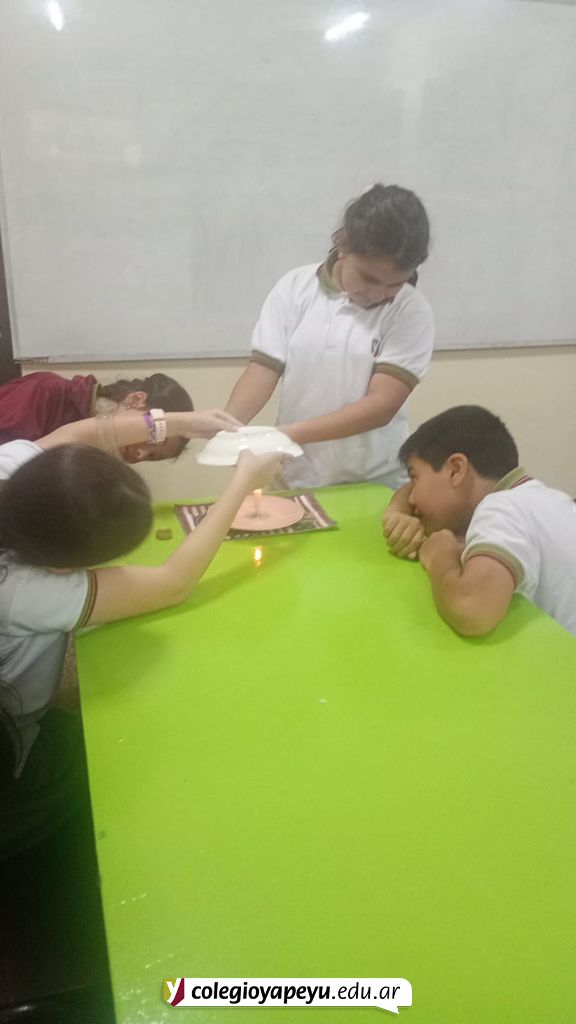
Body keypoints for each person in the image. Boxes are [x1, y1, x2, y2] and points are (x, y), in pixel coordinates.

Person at [0, 407, 282, 857]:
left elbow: (77, 433)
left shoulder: (12, 472)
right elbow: (173, 584)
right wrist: (242, 483)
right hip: (15, 748)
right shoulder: (23, 591)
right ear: (63, 568)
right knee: (110, 769)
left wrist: (182, 422)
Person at [225, 183, 434, 490]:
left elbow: (382, 405)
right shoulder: (295, 288)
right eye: (368, 278)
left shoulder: (410, 310)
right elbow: (263, 370)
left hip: (374, 482)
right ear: (342, 243)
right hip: (295, 478)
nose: (378, 294)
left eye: (394, 284)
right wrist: (227, 427)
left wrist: (287, 435)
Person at [382, 405, 576, 637]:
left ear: (456, 470)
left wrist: (439, 556)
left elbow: (472, 611)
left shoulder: (502, 508)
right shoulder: (543, 498)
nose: (411, 497)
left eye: (414, 477)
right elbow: (408, 494)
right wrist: (397, 512)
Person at [0, 370, 194, 462]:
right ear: (136, 399)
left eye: (151, 457)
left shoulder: (100, 459)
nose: (141, 454)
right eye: (153, 435)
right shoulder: (46, 391)